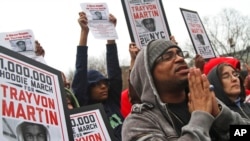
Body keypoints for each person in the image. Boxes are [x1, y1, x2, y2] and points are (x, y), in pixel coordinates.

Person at [122, 38, 250, 141]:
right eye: (167, 56)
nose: (179, 58)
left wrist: (221, 116)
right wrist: (201, 117)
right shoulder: (138, 122)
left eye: (179, 54)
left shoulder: (202, 98)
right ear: (148, 74)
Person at [71, 12, 123, 141]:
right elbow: (81, 70)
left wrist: (110, 34)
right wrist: (84, 32)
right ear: (88, 88)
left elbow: (114, 71)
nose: (104, 87)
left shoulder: (112, 102)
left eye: (105, 83)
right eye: (98, 84)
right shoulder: (85, 107)